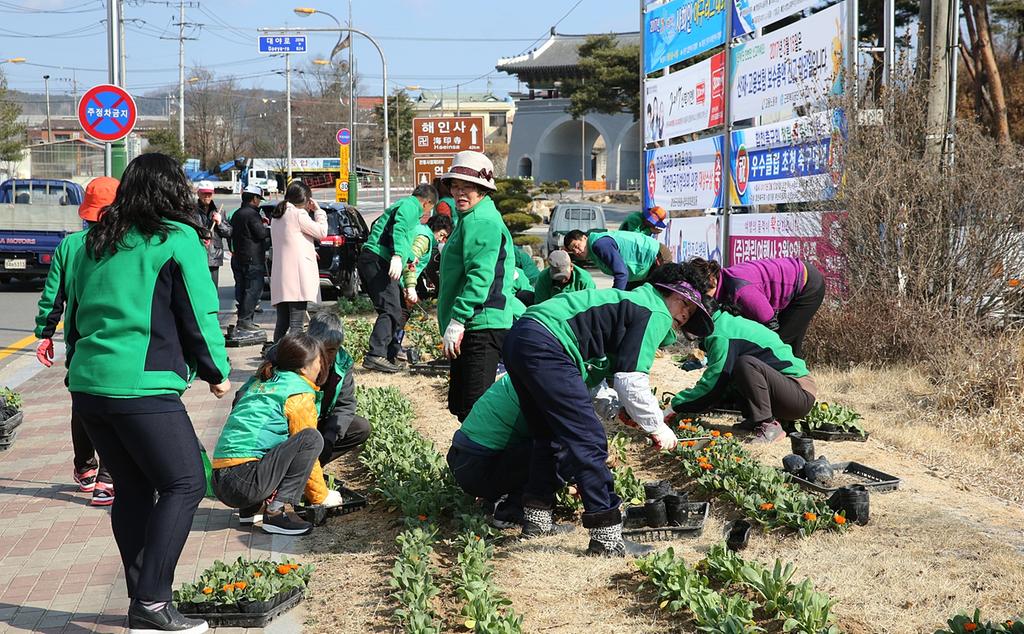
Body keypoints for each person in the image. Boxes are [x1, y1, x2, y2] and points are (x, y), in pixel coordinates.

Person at [65, 153, 231, 634]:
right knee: (186, 482)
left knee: (134, 488)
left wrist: (79, 367)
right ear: (173, 189)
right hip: (139, 387)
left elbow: (74, 312)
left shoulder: (96, 238)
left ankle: (144, 602)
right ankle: (153, 602)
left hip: (88, 384)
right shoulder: (175, 237)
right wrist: (217, 372)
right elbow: (199, 313)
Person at [501, 264, 714, 557]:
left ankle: (537, 521)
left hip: (523, 336)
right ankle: (607, 538)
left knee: (548, 436)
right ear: (674, 296)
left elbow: (600, 374)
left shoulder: (630, 304)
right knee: (589, 441)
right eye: (685, 308)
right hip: (547, 343)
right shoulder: (655, 310)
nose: (683, 317)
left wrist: (621, 409)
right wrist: (657, 426)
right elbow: (632, 380)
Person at [33, 176, 119, 507]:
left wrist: (45, 334)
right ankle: (107, 479)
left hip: (79, 341)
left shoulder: (69, 246)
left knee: (82, 403)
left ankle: (85, 468)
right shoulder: (127, 244)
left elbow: (53, 295)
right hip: (120, 340)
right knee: (115, 406)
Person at [212, 333, 343, 536]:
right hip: (244, 482)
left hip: (220, 481)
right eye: (319, 360)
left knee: (272, 439)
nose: (322, 365)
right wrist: (321, 497)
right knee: (311, 439)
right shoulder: (297, 393)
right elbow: (305, 449)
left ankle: (250, 509)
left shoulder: (264, 381)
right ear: (304, 367)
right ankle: (275, 512)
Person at [437, 151, 517, 422]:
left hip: (480, 323)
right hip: (474, 323)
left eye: (468, 187)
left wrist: (458, 318)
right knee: (463, 406)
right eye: (455, 186)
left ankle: (486, 453)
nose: (460, 193)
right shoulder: (471, 217)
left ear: (482, 190)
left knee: (475, 411)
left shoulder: (480, 220)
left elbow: (480, 276)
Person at [667, 302, 817, 444]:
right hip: (787, 393)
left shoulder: (721, 334)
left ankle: (769, 425)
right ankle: (755, 419)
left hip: (799, 393)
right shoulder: (725, 323)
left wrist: (675, 406)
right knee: (734, 369)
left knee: (745, 364)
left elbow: (713, 384)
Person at [356, 183, 437, 372]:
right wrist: (398, 256)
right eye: (429, 209)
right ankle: (376, 355)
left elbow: (401, 238)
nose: (426, 214)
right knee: (391, 309)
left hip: (375, 259)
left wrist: (408, 257)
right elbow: (398, 230)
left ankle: (390, 354)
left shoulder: (405, 207)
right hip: (377, 259)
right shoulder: (410, 206)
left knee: (398, 307)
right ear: (427, 203)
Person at [683, 257, 825, 357]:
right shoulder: (725, 283)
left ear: (712, 280)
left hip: (806, 284)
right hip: (796, 279)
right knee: (788, 349)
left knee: (778, 347)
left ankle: (795, 386)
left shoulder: (741, 291)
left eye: (703, 293)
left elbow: (770, 325)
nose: (703, 298)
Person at [305, 311, 371, 467]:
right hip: (292, 421)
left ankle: (312, 466)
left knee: (361, 428)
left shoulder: (342, 363)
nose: (326, 356)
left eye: (331, 350)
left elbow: (345, 404)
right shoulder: (295, 354)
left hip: (318, 421)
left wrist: (330, 438)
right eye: (322, 349)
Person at [269, 181, 328, 343]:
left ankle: (275, 354)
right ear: (305, 199)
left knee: (282, 322)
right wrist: (318, 211)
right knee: (296, 324)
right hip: (297, 278)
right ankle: (293, 355)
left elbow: (292, 240)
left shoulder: (277, 215)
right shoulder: (298, 214)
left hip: (281, 277)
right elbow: (321, 232)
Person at [563, 229, 671, 290]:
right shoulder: (594, 250)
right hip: (645, 267)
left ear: (584, 238)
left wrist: (615, 297)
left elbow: (621, 273)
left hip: (657, 257)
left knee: (660, 298)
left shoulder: (599, 245)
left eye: (577, 246)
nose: (577, 251)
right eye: (573, 250)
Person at [229, 185, 268, 336]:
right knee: (253, 290)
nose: (259, 202)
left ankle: (244, 320)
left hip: (238, 257)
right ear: (254, 198)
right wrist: (265, 225)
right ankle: (245, 321)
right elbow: (261, 234)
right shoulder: (252, 214)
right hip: (253, 259)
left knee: (242, 290)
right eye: (259, 199)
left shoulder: (237, 213)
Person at [402, 214, 452, 306]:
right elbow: (410, 263)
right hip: (404, 280)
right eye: (441, 235)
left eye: (444, 237)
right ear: (434, 228)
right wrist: (410, 287)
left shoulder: (420, 229)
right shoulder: (424, 239)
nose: (441, 239)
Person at [193, 184, 232, 286]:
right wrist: (200, 238)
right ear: (198, 193)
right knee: (198, 287)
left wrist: (220, 223)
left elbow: (228, 232)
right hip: (197, 253)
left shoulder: (219, 211)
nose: (207, 196)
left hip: (214, 255)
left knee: (213, 288)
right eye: (204, 193)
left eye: (209, 194)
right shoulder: (192, 211)